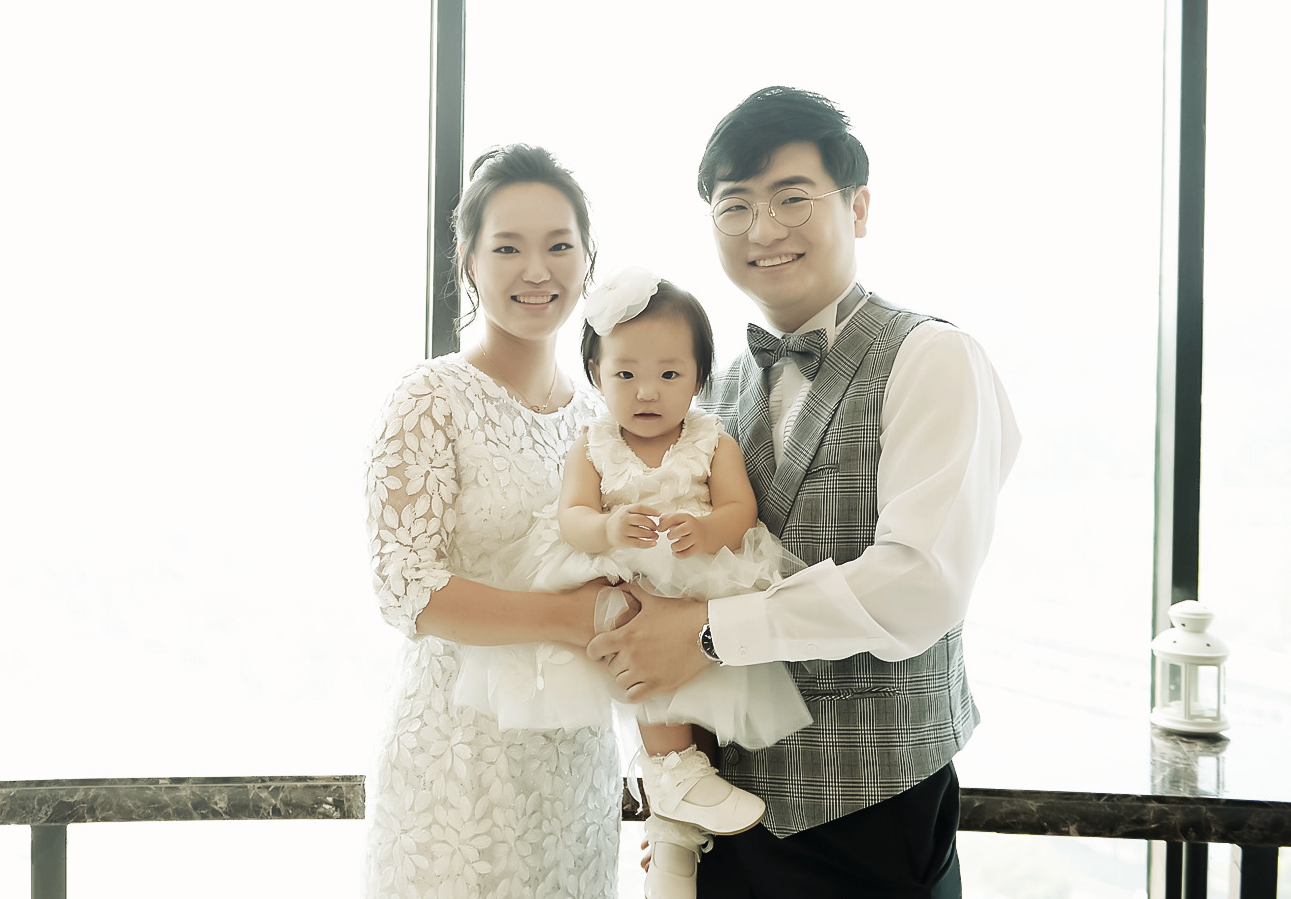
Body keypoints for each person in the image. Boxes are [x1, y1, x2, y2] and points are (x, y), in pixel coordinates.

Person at [588, 86, 1020, 898]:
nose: (763, 229)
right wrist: (679, 791)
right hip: (730, 825)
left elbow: (920, 585)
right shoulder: (709, 390)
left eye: (792, 198)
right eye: (735, 206)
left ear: (858, 208)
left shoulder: (933, 358)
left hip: (876, 821)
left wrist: (708, 634)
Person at [451, 267, 815, 899]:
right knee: (641, 657)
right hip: (622, 572)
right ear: (597, 374)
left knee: (696, 690)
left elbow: (740, 509)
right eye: (626, 374)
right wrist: (609, 527)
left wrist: (707, 530)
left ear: (699, 378)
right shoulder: (592, 444)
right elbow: (572, 516)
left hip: (697, 575)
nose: (648, 391)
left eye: (670, 375)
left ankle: (674, 837)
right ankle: (673, 772)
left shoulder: (711, 439)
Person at [363, 144, 619, 899]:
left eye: (559, 246)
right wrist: (567, 619)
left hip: (576, 764)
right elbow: (405, 589)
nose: (536, 270)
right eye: (508, 247)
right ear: (469, 261)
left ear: (587, 260)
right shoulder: (431, 397)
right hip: (458, 760)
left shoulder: (600, 417)